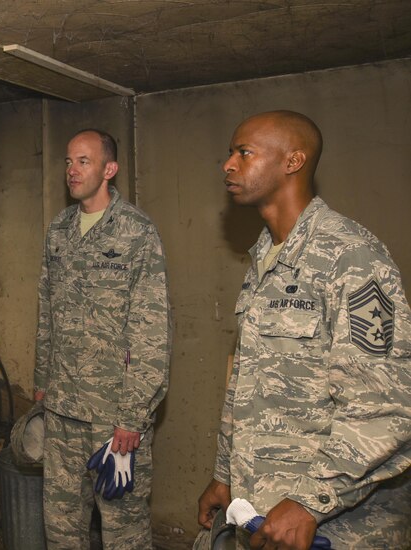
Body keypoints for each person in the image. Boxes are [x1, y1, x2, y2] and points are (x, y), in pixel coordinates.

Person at [195, 110, 411, 549]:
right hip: (264, 510)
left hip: (337, 524)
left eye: (244, 153)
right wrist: (226, 473)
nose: (228, 164)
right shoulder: (265, 257)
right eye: (230, 153)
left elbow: (385, 408)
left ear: (292, 161)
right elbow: (246, 381)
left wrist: (312, 501)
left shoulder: (349, 256)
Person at [34, 128, 171, 548]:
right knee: (61, 527)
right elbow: (46, 313)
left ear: (109, 169)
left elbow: (151, 330)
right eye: (68, 162)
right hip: (61, 410)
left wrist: (133, 415)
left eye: (83, 161)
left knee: (123, 532)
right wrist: (41, 384)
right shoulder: (59, 230)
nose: (71, 171)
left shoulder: (136, 232)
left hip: (113, 417)